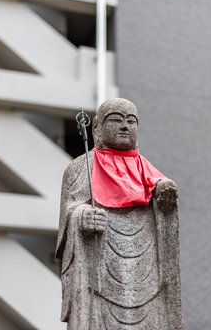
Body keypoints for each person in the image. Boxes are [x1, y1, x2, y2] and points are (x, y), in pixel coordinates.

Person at [56, 98, 183, 329]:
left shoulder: (145, 168)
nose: (125, 126)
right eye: (116, 120)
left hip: (145, 272)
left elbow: (163, 200)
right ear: (96, 128)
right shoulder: (81, 167)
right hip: (99, 269)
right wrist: (82, 215)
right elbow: (69, 211)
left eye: (131, 121)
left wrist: (166, 201)